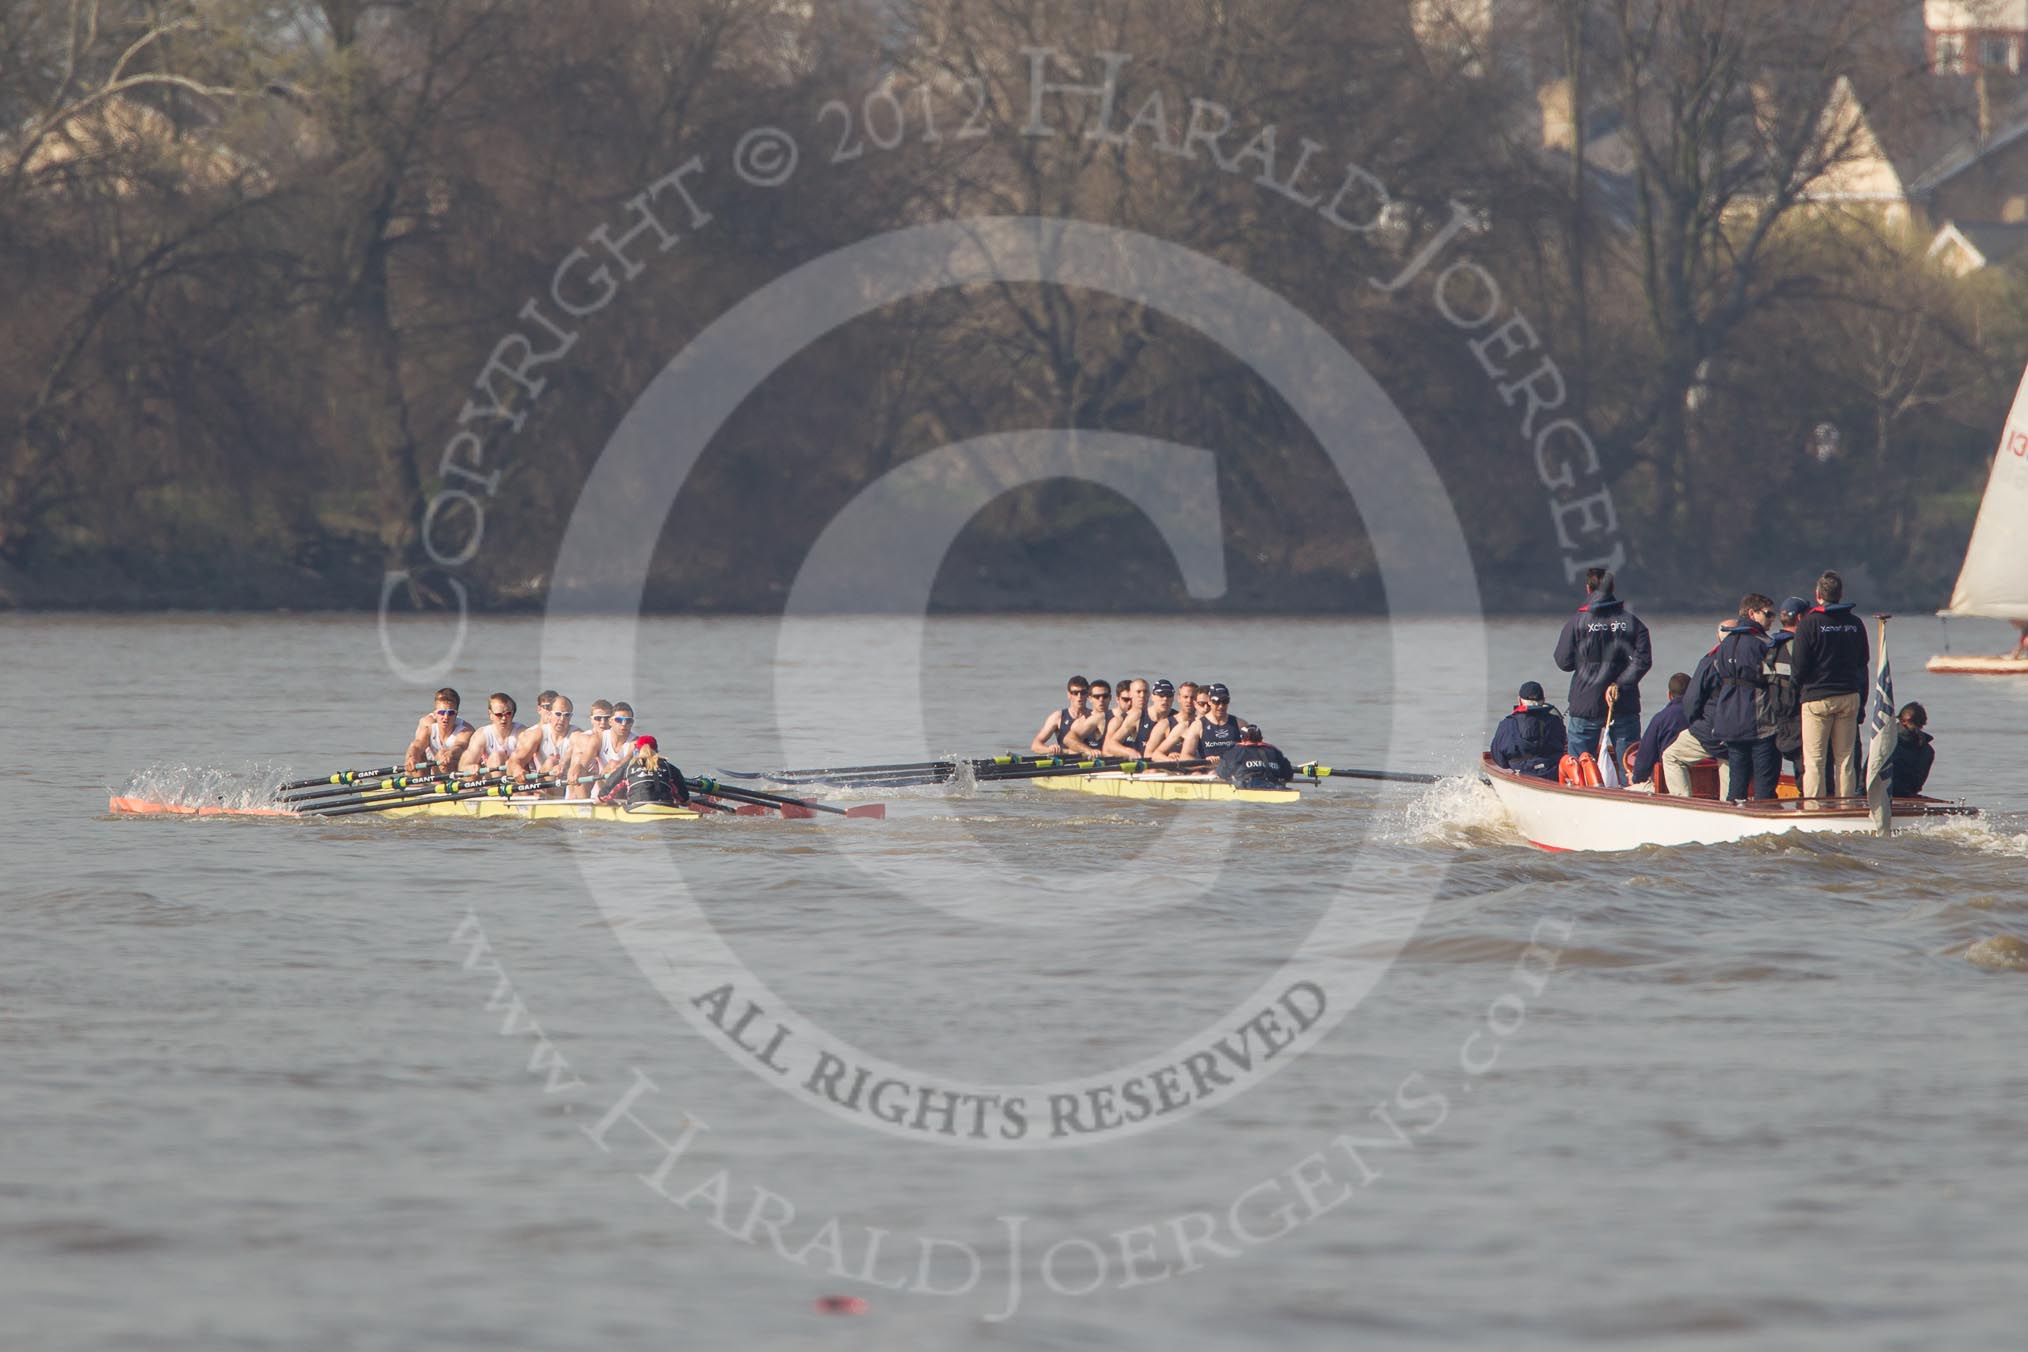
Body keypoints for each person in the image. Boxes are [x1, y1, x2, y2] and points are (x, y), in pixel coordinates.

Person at [1552, 568, 1653, 770]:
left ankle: (1581, 797)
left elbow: (1563, 662)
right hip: (1623, 701)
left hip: (1585, 701)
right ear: (1612, 588)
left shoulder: (1576, 623)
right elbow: (1644, 659)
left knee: (1580, 768)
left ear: (1588, 589)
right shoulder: (1631, 622)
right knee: (1629, 767)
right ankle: (1631, 795)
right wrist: (1620, 683)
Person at [1789, 570, 1869, 799]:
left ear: (1817, 595)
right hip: (1849, 697)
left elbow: (1799, 668)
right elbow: (1862, 664)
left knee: (1814, 760)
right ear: (1841, 594)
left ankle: (1815, 807)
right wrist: (1861, 701)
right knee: (1846, 759)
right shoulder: (1855, 624)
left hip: (1816, 699)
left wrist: (1793, 698)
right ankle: (1846, 806)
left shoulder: (1808, 624)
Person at [1708, 595, 1777, 802]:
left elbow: (1717, 674)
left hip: (1730, 722)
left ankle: (1732, 820)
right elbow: (1775, 678)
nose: (1772, 619)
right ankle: (1767, 823)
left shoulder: (1725, 644)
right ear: (1752, 613)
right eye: (1768, 614)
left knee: (1736, 783)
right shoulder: (1765, 644)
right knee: (1764, 784)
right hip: (1759, 722)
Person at [1663, 623, 1733, 799]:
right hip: (1745, 731)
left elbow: (1693, 699)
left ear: (1719, 637)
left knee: (1671, 756)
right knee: (1730, 766)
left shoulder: (1711, 660)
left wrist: (1695, 722)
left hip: (1712, 729)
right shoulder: (1756, 653)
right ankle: (1730, 809)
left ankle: (1683, 804)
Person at [1763, 597, 1807, 788]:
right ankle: (1808, 807)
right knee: (1805, 768)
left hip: (1775, 715)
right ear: (1800, 618)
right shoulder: (1801, 646)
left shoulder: (1770, 646)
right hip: (1798, 715)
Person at [1490, 681, 1567, 781]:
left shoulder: (1507, 723)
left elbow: (1499, 758)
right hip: (1552, 773)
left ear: (1519, 700)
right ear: (1543, 700)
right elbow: (1563, 746)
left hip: (1521, 771)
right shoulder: (1556, 721)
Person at [1631, 673, 1691, 788]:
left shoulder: (1661, 719)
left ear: (1669, 695)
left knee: (1628, 790)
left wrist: (1636, 778)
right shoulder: (1705, 716)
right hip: (1706, 785)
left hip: (1666, 786)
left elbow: (1644, 760)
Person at [596, 735, 691, 807]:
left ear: (636, 750)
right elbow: (684, 799)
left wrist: (601, 799)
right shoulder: (670, 767)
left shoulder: (628, 767)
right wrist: (685, 801)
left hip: (637, 806)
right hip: (665, 805)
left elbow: (605, 794)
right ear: (656, 750)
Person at [507, 692, 577, 790]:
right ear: (550, 714)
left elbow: (574, 751)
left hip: (567, 786)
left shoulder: (576, 734)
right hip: (542, 784)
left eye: (566, 715)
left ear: (571, 716)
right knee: (551, 763)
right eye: (558, 714)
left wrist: (563, 764)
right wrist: (516, 769)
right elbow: (514, 760)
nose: (562, 719)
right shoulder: (537, 733)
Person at [404, 687, 475, 774]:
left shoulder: (466, 731)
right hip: (433, 766)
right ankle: (418, 783)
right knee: (415, 753)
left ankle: (440, 782)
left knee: (442, 753)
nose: (445, 717)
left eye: (451, 713)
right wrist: (412, 756)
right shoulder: (428, 727)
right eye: (441, 712)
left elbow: (460, 745)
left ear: (456, 714)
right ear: (435, 713)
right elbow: (417, 745)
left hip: (454, 769)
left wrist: (450, 753)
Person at [1214, 724, 1297, 789]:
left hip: (1249, 786)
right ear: (1261, 738)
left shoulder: (1236, 750)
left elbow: (1222, 772)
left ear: (1242, 739)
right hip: (1276, 786)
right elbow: (1288, 774)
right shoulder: (1274, 750)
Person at [458, 692, 524, 773]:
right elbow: (464, 766)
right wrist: (470, 768)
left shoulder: (522, 733)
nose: (503, 718)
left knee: (501, 757)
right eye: (499, 715)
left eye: (508, 714)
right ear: (490, 714)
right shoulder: (481, 735)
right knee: (497, 757)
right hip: (490, 777)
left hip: (514, 776)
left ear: (513, 713)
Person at [1178, 683, 1244, 761]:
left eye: (1225, 701)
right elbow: (1185, 756)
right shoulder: (1198, 726)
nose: (1221, 706)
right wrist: (1205, 762)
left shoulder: (1240, 724)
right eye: (1216, 701)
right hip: (1208, 770)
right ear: (1209, 701)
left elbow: (1253, 752)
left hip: (1233, 770)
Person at [1029, 675, 1090, 755]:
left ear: (1088, 694)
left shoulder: (1094, 717)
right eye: (1075, 693)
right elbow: (1035, 746)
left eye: (1083, 693)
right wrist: (1049, 749)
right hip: (1065, 761)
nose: (1079, 697)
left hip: (1091, 762)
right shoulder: (1057, 717)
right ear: (1069, 695)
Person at [1886, 703, 1935, 797]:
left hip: (1881, 795)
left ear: (1902, 721)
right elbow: (1917, 784)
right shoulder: (1928, 750)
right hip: (1907, 795)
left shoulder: (1886, 742)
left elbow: (1868, 773)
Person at [1062, 679, 1112, 755]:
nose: (1101, 700)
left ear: (1110, 698)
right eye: (1096, 697)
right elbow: (1068, 740)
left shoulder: (1116, 718)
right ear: (1090, 698)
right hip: (1090, 763)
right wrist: (1088, 751)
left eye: (1105, 696)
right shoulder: (1081, 722)